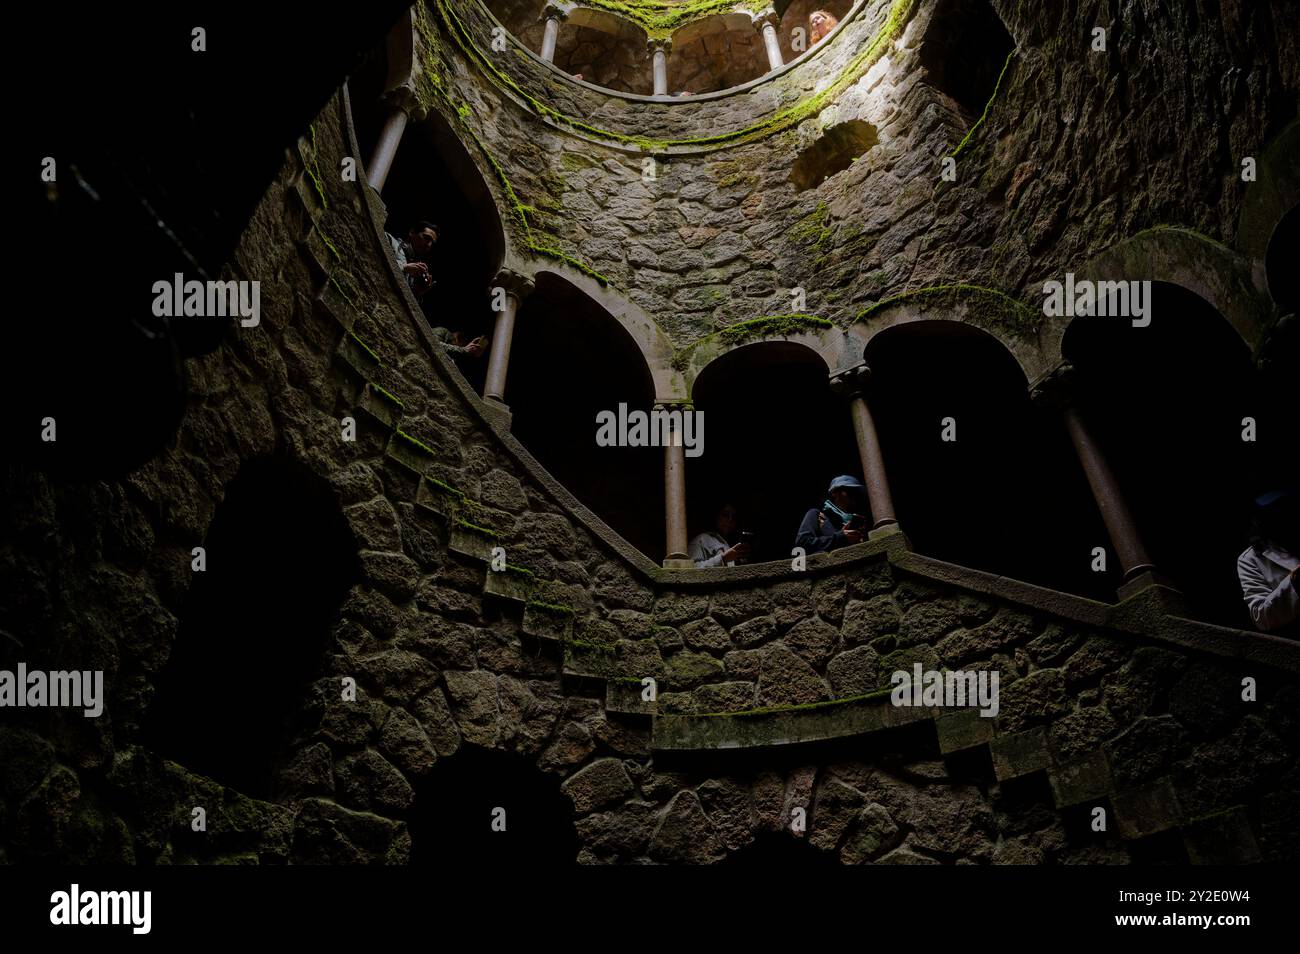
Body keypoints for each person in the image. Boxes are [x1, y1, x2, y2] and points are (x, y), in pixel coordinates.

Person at [1237, 490, 1300, 635]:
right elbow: (1262, 618)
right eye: (1275, 510)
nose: (1283, 514)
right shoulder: (1250, 560)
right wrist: (1293, 584)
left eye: (1287, 507)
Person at [795, 475, 868, 554]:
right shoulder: (817, 515)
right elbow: (802, 544)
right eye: (849, 491)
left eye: (856, 492)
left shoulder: (855, 521)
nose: (853, 496)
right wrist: (840, 537)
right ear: (835, 493)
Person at [386, 220, 439, 300]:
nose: (428, 244)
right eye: (426, 238)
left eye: (432, 242)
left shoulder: (415, 271)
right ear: (412, 232)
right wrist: (404, 267)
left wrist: (417, 292)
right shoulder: (389, 239)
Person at [690, 503, 750, 567]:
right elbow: (692, 567)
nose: (730, 519)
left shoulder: (731, 542)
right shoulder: (701, 539)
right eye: (725, 515)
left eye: (733, 517)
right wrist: (723, 559)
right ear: (716, 516)